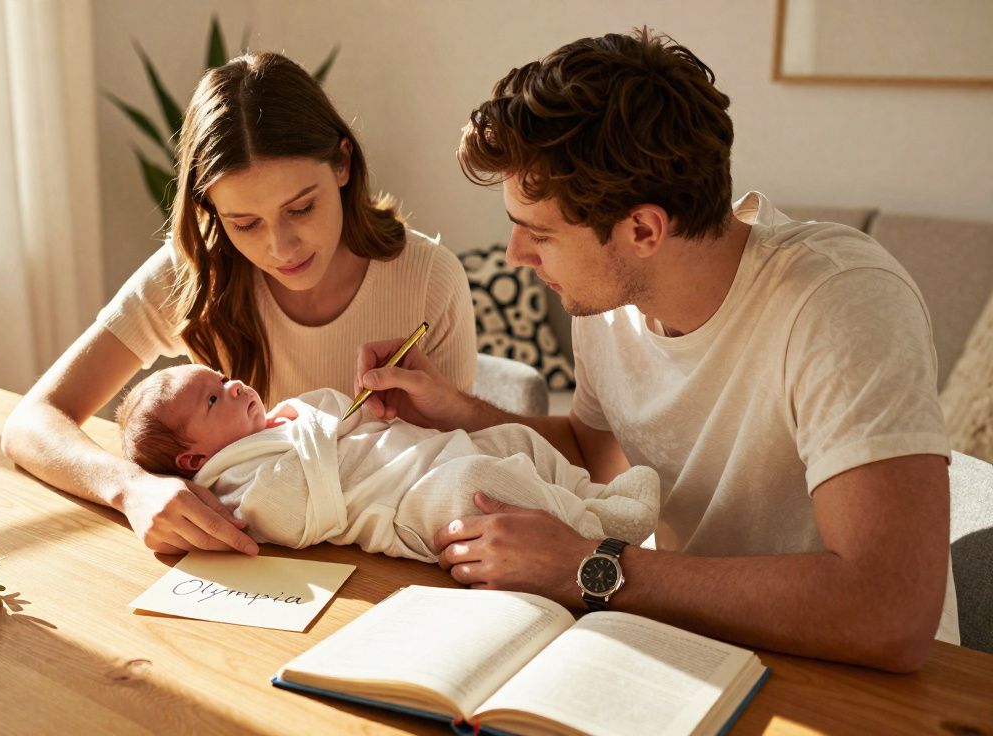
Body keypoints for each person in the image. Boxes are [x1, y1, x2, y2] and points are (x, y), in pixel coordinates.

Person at [354, 28, 956, 672]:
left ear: (643, 228)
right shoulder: (612, 304)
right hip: (690, 645)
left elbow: (888, 611)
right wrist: (455, 411)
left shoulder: (840, 301)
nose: (515, 257)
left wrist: (591, 566)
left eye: (540, 235)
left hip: (853, 677)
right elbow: (595, 451)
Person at [0, 52, 477, 558]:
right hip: (261, 573)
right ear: (211, 210)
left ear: (343, 164)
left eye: (301, 208)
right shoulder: (193, 274)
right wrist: (131, 487)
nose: (281, 248)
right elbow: (31, 422)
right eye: (245, 224)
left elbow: (467, 452)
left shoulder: (428, 279)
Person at [113, 363, 660, 562]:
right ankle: (596, 530)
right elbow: (301, 514)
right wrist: (321, 428)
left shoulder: (284, 418)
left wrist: (330, 413)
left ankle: (593, 497)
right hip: (408, 503)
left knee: (514, 436)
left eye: (221, 378)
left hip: (429, 451)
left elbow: (337, 415)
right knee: (481, 485)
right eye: (214, 400)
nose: (233, 387)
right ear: (194, 457)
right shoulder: (236, 488)